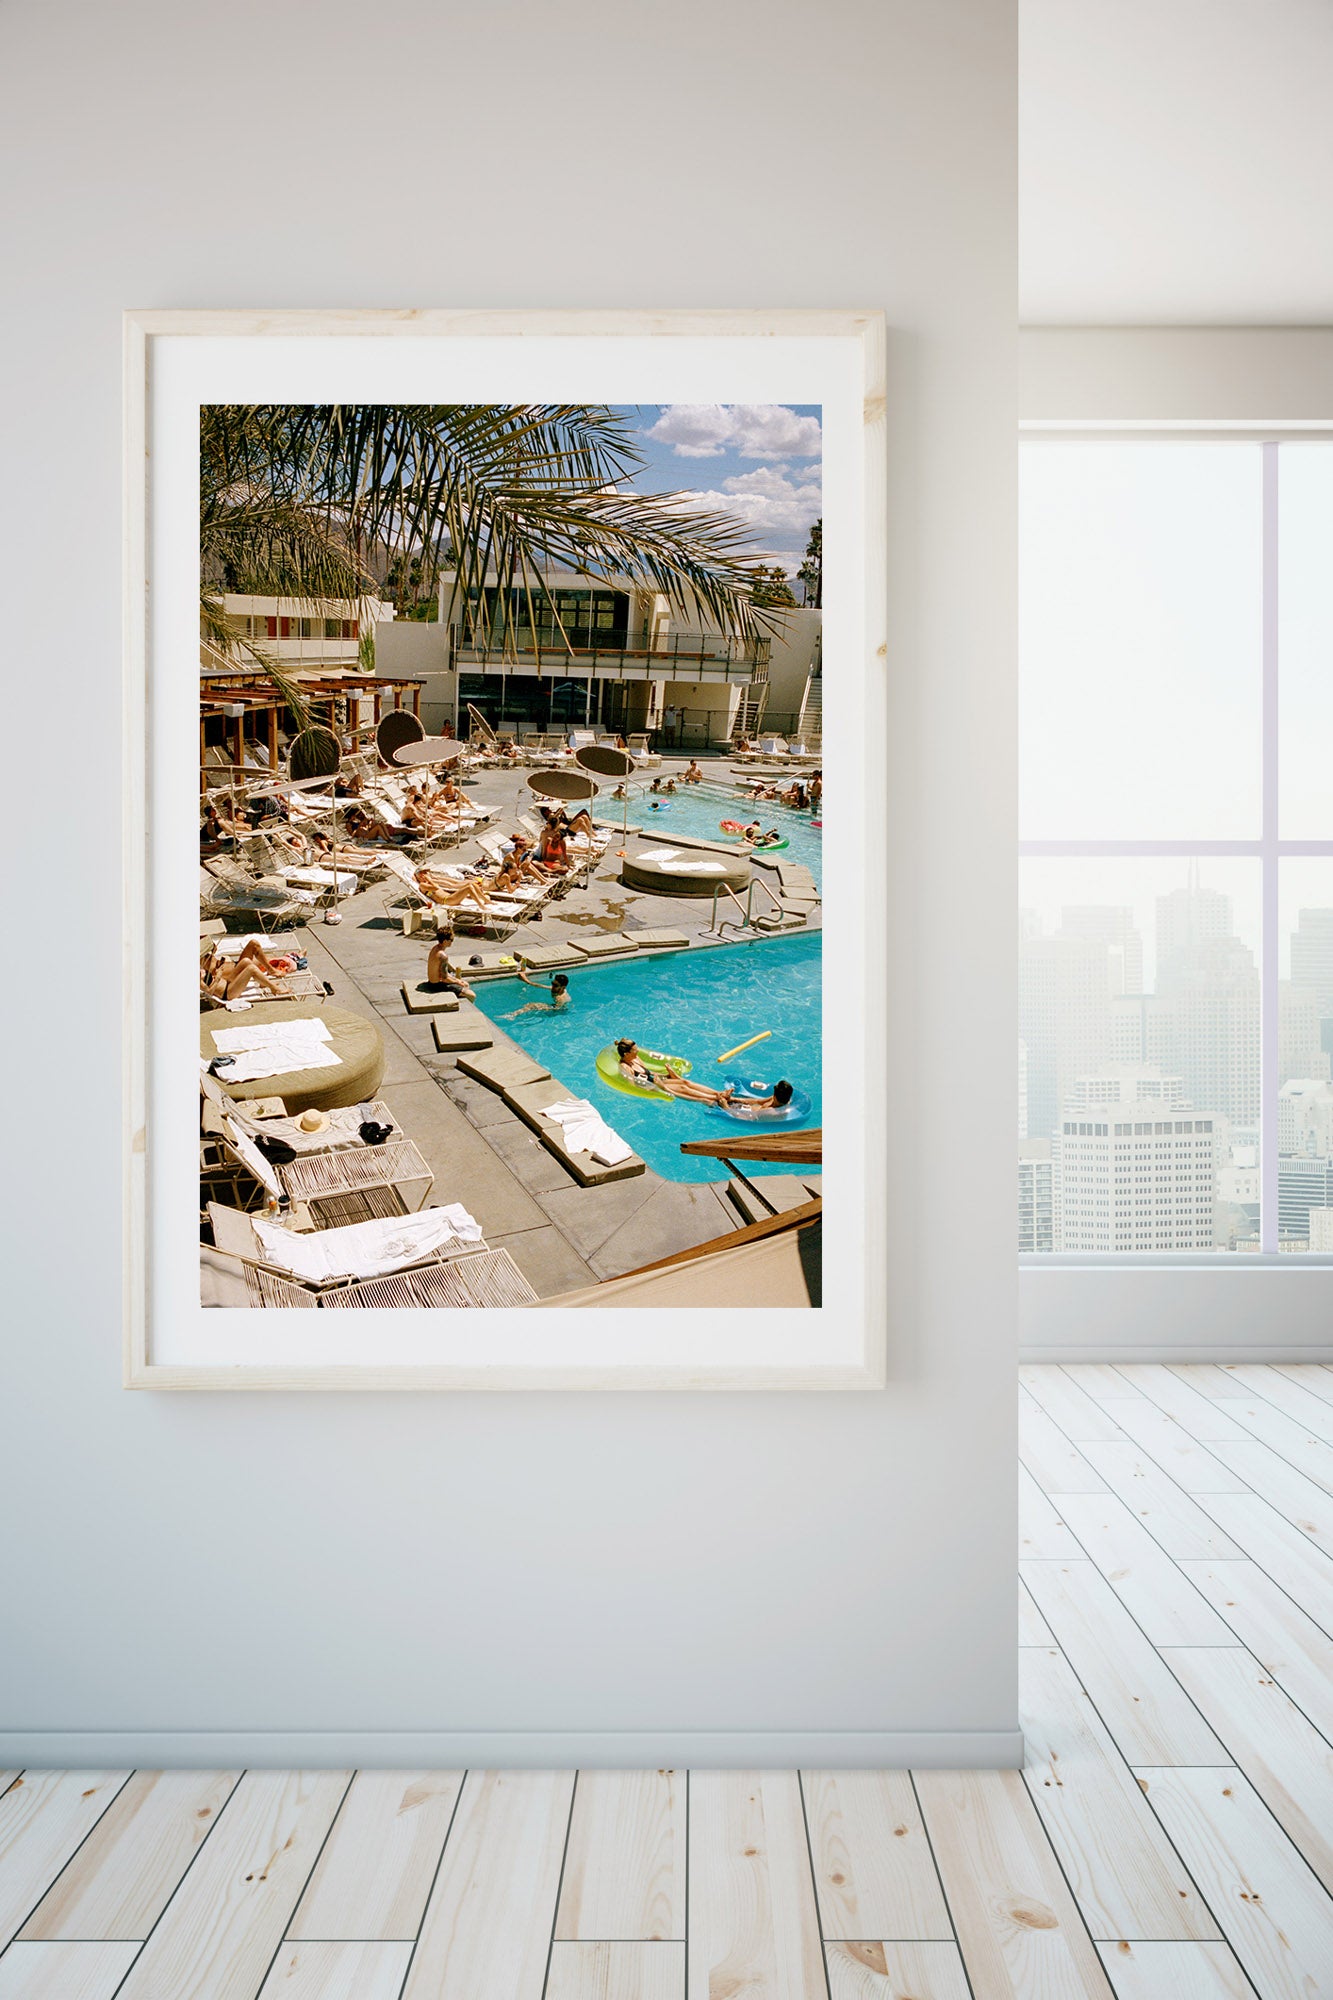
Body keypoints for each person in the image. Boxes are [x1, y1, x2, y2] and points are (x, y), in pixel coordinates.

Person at [615, 1039, 736, 1105]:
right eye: (635, 1050)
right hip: (653, 1086)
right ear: (626, 1054)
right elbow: (633, 1085)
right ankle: (714, 1098)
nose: (638, 1051)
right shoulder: (625, 1067)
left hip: (657, 1080)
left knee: (685, 1082)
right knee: (684, 1089)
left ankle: (718, 1093)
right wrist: (657, 1086)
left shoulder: (636, 1059)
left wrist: (666, 1075)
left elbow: (648, 1072)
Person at [200, 939, 291, 1002]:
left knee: (256, 953)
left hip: (228, 982)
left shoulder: (202, 950)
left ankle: (265, 982)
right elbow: (208, 993)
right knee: (251, 967)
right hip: (227, 992)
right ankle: (274, 989)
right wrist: (217, 978)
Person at [423, 926, 476, 999]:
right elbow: (444, 978)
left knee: (466, 984)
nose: (452, 941)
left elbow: (443, 974)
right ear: (445, 941)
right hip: (436, 986)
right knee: (472, 995)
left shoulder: (435, 948)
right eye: (451, 939)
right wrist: (458, 982)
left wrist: (457, 980)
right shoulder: (443, 956)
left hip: (431, 982)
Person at [414, 866, 492, 910]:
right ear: (420, 875)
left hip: (450, 897)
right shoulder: (422, 885)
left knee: (472, 885)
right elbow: (436, 887)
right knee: (469, 888)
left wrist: (432, 878)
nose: (427, 874)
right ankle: (481, 906)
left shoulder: (428, 882)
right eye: (425, 873)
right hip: (447, 901)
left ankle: (486, 900)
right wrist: (429, 880)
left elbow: (444, 883)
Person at [506, 969, 571, 1017]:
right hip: (557, 1006)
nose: (553, 986)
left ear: (563, 987)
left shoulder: (559, 998)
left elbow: (557, 1009)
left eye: (555, 985)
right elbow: (540, 985)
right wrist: (526, 980)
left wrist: (540, 1007)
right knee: (530, 1005)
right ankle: (513, 1014)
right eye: (552, 983)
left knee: (531, 1005)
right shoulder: (557, 989)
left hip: (559, 1009)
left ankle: (512, 1015)